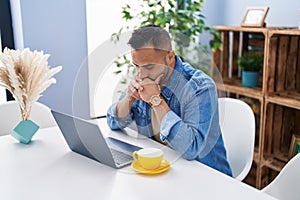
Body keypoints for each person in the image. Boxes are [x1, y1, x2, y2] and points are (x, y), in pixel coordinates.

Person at [107, 24, 232, 176]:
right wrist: (128, 98)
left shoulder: (200, 87)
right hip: (167, 171)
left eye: (149, 66)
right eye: (136, 66)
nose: (141, 74)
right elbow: (113, 122)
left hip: (209, 177)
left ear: (170, 57)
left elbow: (191, 149)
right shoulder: (144, 76)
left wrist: (156, 100)